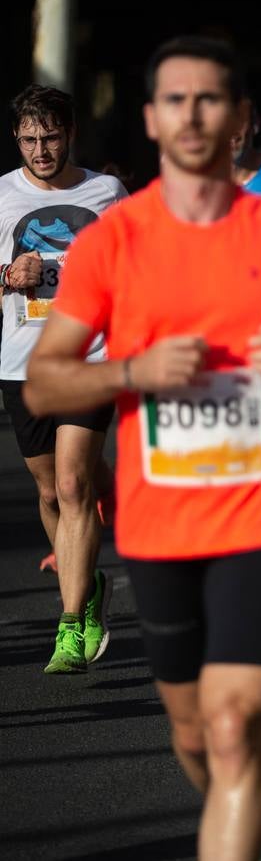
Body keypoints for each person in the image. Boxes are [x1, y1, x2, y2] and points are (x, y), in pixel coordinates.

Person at [25, 35, 261, 860]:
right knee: (190, 729)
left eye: (211, 99)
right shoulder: (114, 238)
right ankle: (238, 806)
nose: (193, 114)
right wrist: (133, 370)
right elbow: (45, 384)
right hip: (159, 520)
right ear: (150, 119)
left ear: (241, 121)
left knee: (234, 724)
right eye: (175, 99)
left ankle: (239, 805)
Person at [1, 84, 125, 672]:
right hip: (22, 363)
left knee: (75, 488)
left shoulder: (106, 193)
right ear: (16, 140)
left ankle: (71, 623)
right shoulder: (1, 195)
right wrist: (7, 274)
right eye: (29, 139)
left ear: (70, 133)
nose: (41, 149)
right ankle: (89, 586)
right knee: (50, 491)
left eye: (50, 136)